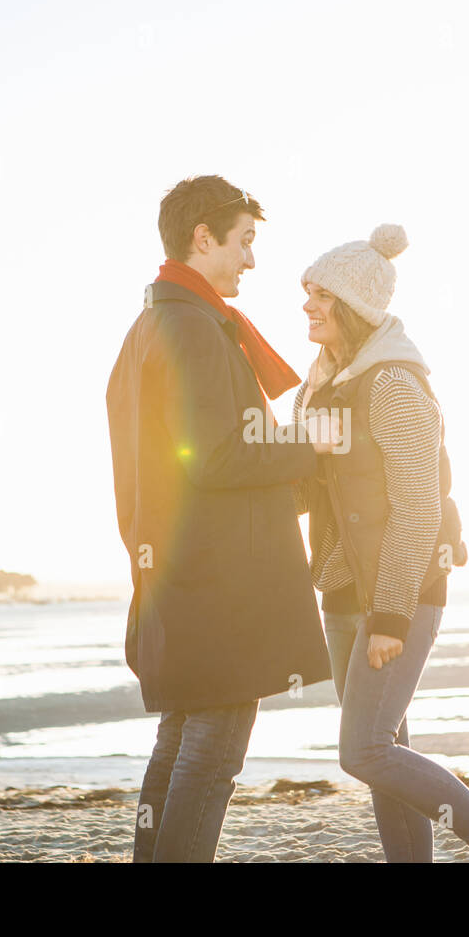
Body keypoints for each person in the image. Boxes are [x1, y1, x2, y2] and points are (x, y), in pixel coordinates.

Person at [290, 223, 469, 863]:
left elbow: (416, 506)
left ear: (354, 305)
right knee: (386, 749)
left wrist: (390, 615)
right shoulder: (319, 384)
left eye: (321, 293)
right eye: (306, 291)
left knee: (365, 750)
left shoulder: (391, 384)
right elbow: (302, 487)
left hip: (397, 593)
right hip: (344, 590)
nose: (307, 305)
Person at [105, 175, 336, 862]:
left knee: (179, 742)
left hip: (179, 577)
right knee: (210, 758)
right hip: (221, 586)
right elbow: (216, 458)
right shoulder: (190, 328)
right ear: (202, 238)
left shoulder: (151, 325)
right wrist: (312, 446)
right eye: (244, 242)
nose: (251, 261)